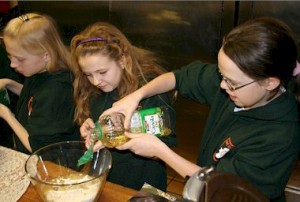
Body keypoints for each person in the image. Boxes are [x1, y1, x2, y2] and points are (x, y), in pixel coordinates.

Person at [102, 17, 300, 201]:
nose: (222, 85)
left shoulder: (279, 135)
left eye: (231, 82)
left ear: (270, 83)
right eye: (221, 74)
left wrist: (161, 151)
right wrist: (135, 96)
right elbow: (178, 78)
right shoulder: (239, 85)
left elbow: (222, 188)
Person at [70, 22, 177, 191]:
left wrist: (118, 135)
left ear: (122, 60)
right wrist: (92, 132)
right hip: (111, 179)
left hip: (145, 183)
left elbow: (165, 145)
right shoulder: (93, 90)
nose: (96, 81)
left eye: (102, 72)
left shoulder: (149, 88)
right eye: (88, 74)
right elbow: (101, 126)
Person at [0, 13, 80, 154]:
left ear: (46, 55)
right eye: (9, 56)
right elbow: (35, 98)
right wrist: (10, 84)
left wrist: (7, 115)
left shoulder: (57, 91)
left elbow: (37, 147)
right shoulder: (40, 70)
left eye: (20, 59)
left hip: (55, 165)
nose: (12, 64)